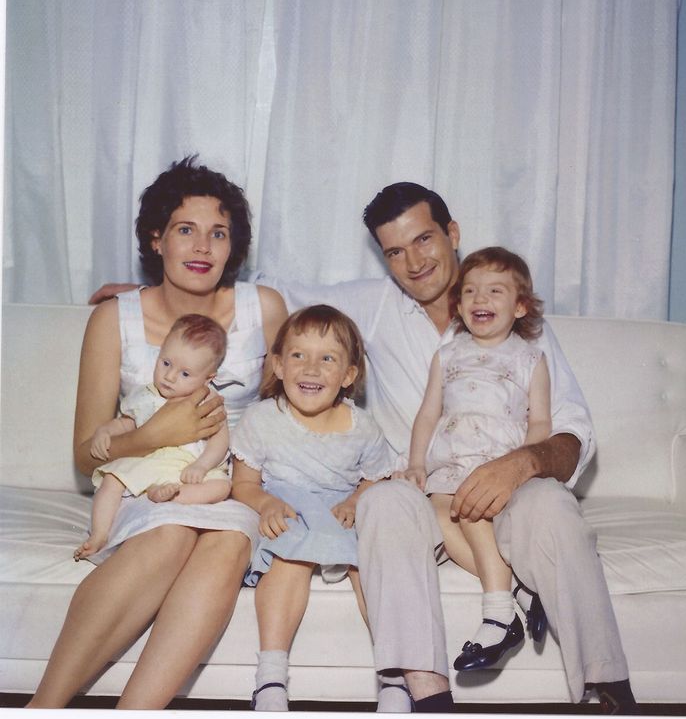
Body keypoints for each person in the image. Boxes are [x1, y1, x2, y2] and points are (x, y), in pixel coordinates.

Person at [89, 181, 636, 714]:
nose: (414, 262)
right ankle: (427, 697)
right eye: (394, 252)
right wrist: (160, 295)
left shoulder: (520, 324)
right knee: (383, 503)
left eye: (424, 240)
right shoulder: (374, 306)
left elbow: (571, 431)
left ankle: (609, 690)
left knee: (554, 506)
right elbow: (280, 298)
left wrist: (522, 463)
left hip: (512, 484)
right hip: (419, 491)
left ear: (452, 233)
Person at [28, 156, 288, 709]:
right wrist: (152, 435)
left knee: (227, 539)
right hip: (146, 481)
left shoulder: (262, 307)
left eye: (218, 234)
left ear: (233, 245)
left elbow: (296, 399)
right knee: (172, 533)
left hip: (228, 482)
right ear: (156, 239)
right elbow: (84, 454)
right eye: (185, 231)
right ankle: (42, 707)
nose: (202, 248)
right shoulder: (114, 320)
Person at [230, 304, 392, 711]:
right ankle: (270, 677)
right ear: (279, 365)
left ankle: (393, 671)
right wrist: (265, 502)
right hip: (288, 508)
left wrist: (357, 499)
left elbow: (376, 476)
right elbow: (243, 485)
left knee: (370, 565)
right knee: (288, 558)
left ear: (348, 376)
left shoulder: (362, 427)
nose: (312, 368)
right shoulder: (261, 419)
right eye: (299, 355)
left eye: (328, 359)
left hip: (338, 510)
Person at [398, 247, 552, 673]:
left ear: (520, 306)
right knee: (440, 521)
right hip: (448, 464)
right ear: (460, 305)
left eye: (495, 291)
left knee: (471, 514)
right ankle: (521, 587)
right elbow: (428, 413)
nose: (480, 300)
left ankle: (498, 614)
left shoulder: (530, 359)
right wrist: (416, 463)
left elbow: (540, 423)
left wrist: (521, 468)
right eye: (470, 292)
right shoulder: (447, 355)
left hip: (493, 466)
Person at [74, 313, 233, 562]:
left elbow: (220, 440)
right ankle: (99, 534)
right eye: (166, 363)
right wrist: (104, 432)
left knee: (222, 487)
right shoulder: (145, 395)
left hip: (189, 467)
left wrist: (202, 465)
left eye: (185, 374)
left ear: (208, 378)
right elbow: (126, 423)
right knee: (112, 480)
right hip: (150, 460)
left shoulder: (209, 402)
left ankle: (172, 496)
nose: (169, 377)